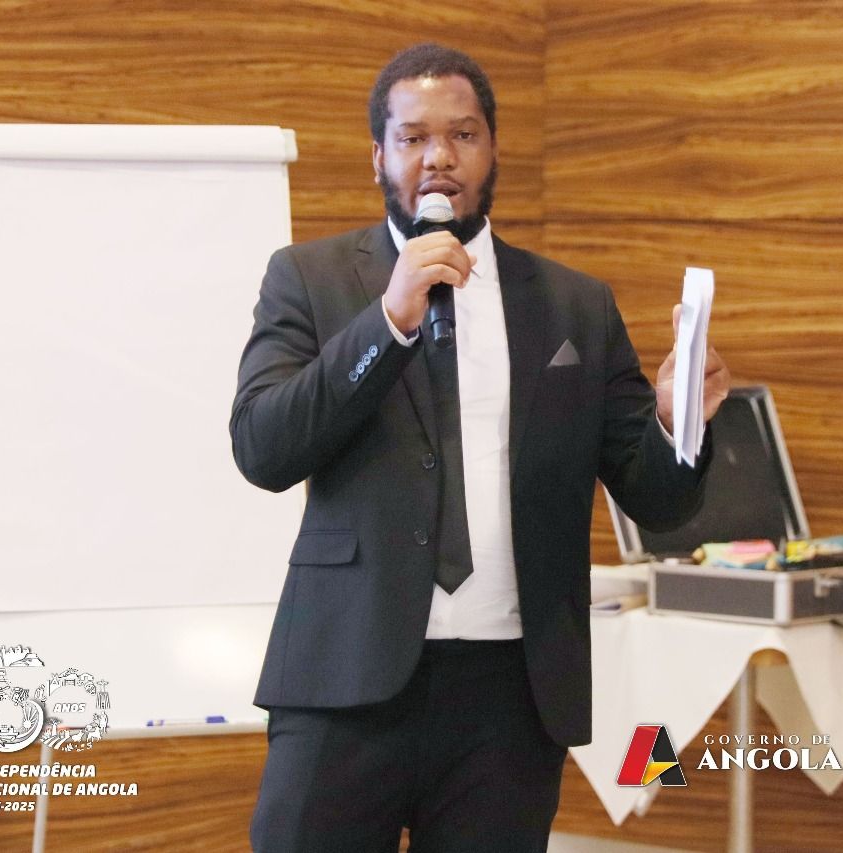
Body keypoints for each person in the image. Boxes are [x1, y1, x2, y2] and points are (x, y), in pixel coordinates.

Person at [231, 42, 730, 853]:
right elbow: (263, 447)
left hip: (511, 698)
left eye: (462, 135)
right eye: (413, 137)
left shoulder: (574, 304)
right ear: (378, 156)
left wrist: (677, 426)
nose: (438, 157)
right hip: (344, 676)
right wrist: (388, 319)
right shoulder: (309, 279)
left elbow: (657, 500)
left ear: (492, 150)